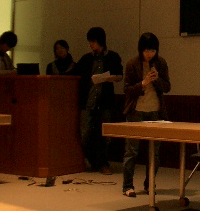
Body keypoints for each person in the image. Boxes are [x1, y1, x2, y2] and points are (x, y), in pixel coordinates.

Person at [122, 33, 171, 197]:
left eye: (152, 51)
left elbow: (167, 87)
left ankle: (150, 183)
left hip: (156, 111)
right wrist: (143, 83)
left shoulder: (161, 63)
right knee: (132, 150)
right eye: (146, 51)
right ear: (140, 50)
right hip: (136, 110)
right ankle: (127, 186)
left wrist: (157, 80)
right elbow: (127, 90)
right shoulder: (132, 64)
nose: (149, 54)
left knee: (154, 152)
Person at [73, 27, 123, 175]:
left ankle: (103, 163)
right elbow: (75, 73)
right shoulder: (86, 59)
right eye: (90, 42)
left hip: (105, 101)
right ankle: (93, 160)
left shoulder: (112, 57)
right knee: (85, 133)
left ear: (100, 41)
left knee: (105, 135)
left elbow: (120, 76)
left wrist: (109, 78)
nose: (91, 44)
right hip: (88, 101)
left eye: (93, 41)